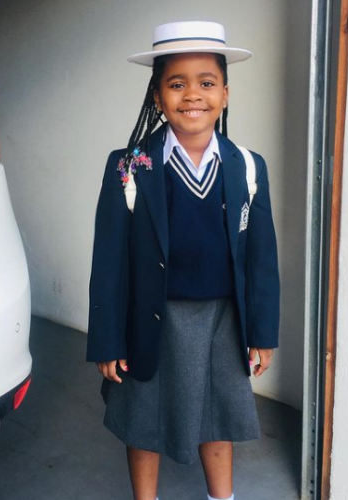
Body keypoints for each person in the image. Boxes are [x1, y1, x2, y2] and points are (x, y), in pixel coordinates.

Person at [86, 21, 280, 500]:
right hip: (151, 318)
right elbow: (108, 263)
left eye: (207, 82)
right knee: (143, 418)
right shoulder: (130, 166)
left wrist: (263, 332)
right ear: (157, 97)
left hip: (223, 320)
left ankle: (222, 496)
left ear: (225, 94)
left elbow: (261, 258)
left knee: (219, 417)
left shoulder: (247, 166)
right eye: (176, 84)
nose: (192, 95)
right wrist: (108, 339)